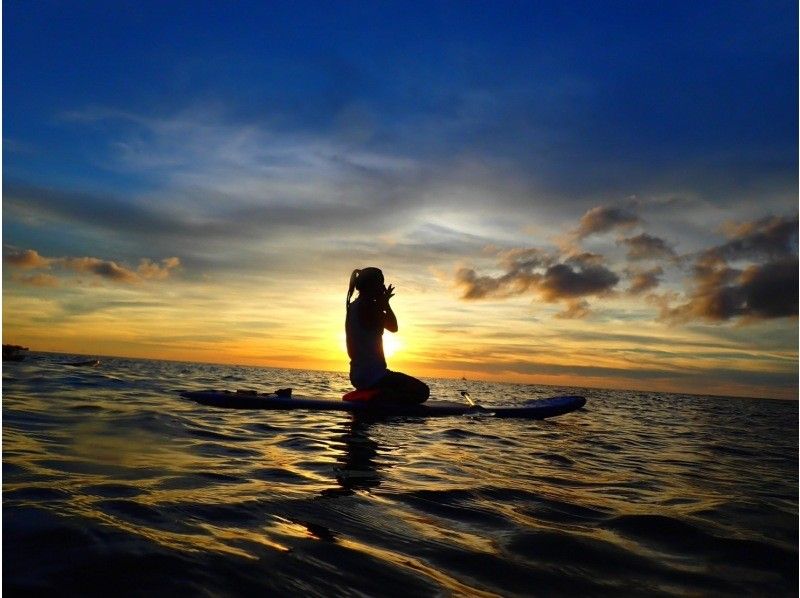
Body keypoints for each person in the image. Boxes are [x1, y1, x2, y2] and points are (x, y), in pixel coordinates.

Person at [345, 267, 430, 404]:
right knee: (423, 391)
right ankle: (377, 396)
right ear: (372, 285)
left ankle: (373, 393)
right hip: (374, 377)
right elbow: (394, 327)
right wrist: (384, 304)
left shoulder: (353, 307)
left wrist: (383, 304)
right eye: (381, 283)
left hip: (357, 376)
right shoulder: (369, 307)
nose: (383, 287)